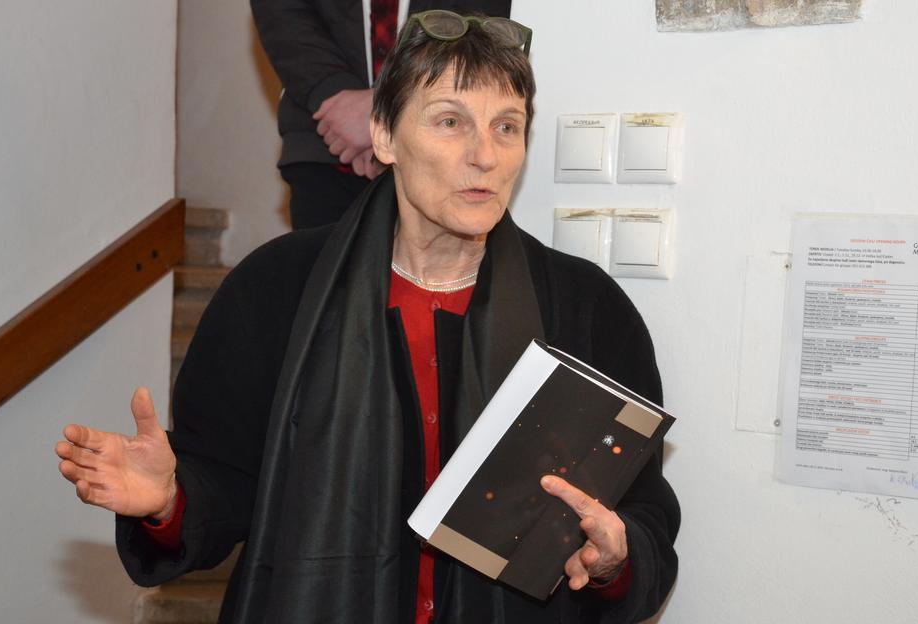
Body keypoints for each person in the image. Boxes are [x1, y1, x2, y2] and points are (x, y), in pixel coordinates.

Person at [56, 11, 679, 623]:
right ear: (384, 135)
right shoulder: (274, 290)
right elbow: (225, 486)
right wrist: (168, 500)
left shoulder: (586, 309)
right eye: (450, 122)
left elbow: (643, 512)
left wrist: (616, 558)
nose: (485, 156)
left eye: (506, 127)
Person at [251, 0, 512, 230]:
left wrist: (386, 105)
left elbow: (478, 24)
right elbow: (283, 11)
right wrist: (332, 92)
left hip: (440, 146)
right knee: (323, 268)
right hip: (327, 142)